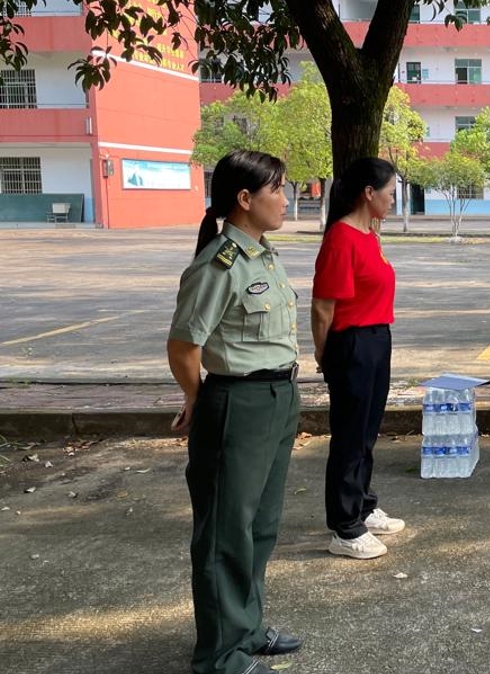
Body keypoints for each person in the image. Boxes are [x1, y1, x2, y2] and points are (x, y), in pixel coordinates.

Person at [167, 149, 302, 674]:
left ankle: (245, 627)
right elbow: (184, 346)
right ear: (245, 200)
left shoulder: (265, 256)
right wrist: (198, 400)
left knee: (260, 526)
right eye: (278, 190)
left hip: (277, 398)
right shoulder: (218, 263)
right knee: (225, 531)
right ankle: (221, 655)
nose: (286, 199)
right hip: (237, 403)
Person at [311, 157, 405, 560]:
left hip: (377, 338)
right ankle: (345, 527)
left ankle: (363, 505)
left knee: (367, 432)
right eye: (389, 193)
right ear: (369, 193)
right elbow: (322, 307)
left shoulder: (370, 235)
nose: (393, 201)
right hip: (351, 344)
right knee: (349, 436)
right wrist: (325, 352)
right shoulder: (342, 238)